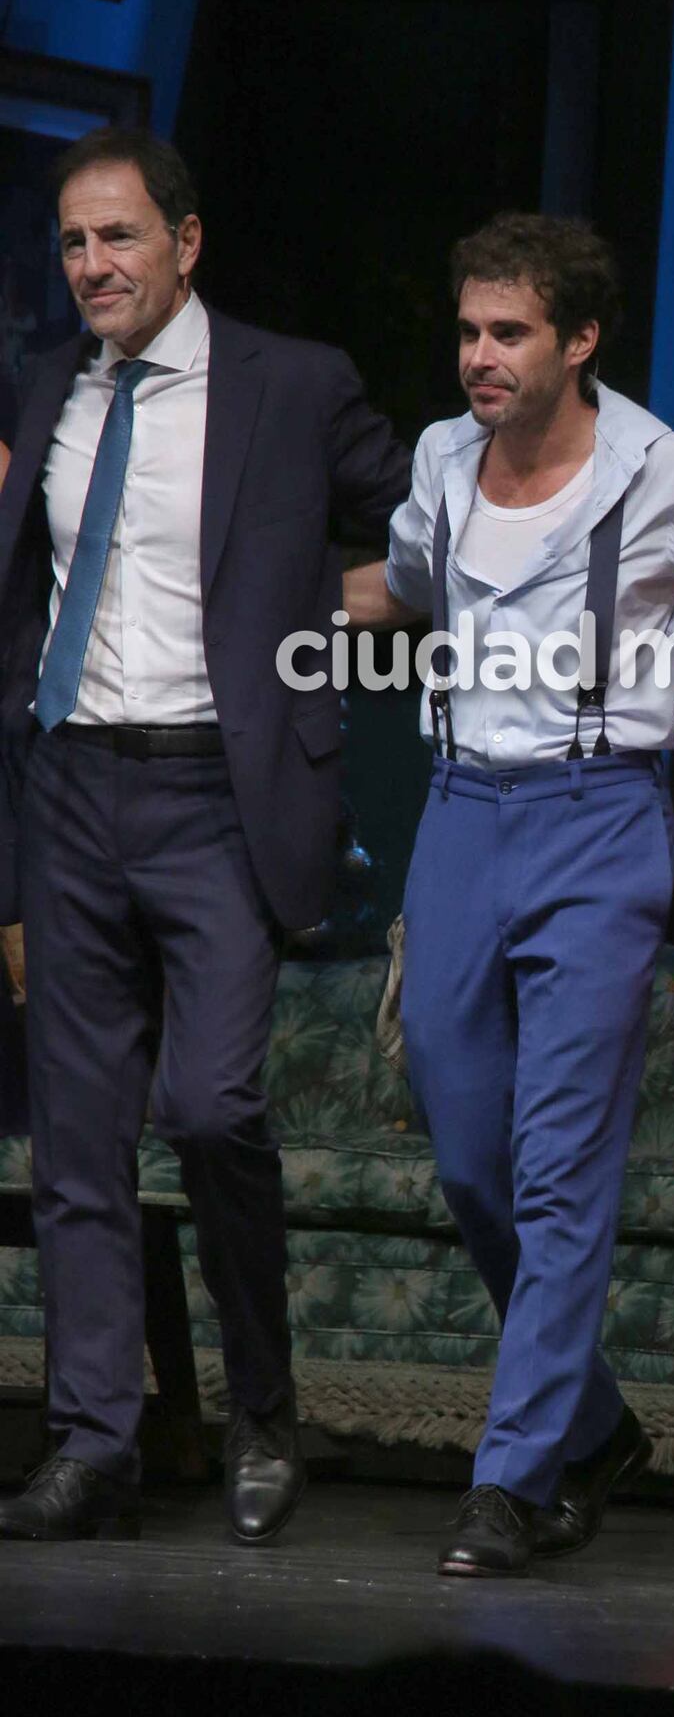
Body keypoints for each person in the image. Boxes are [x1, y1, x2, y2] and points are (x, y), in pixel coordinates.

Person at [0, 129, 411, 1544]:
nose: (92, 266)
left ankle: (261, 1409)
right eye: (71, 243)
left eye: (118, 237)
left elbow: (434, 528)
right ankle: (96, 1442)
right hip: (68, 790)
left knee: (217, 1108)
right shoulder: (50, 385)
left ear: (187, 242)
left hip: (212, 796)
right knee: (77, 1145)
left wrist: (322, 613)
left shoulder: (291, 385)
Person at [344, 212, 674, 1577]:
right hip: (462, 817)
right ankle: (592, 1425)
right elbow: (402, 585)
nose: (480, 357)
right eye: (469, 331)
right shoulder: (441, 459)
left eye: (508, 333)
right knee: (471, 1156)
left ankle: (511, 1479)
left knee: (564, 1161)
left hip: (599, 823)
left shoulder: (663, 466)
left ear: (576, 340)